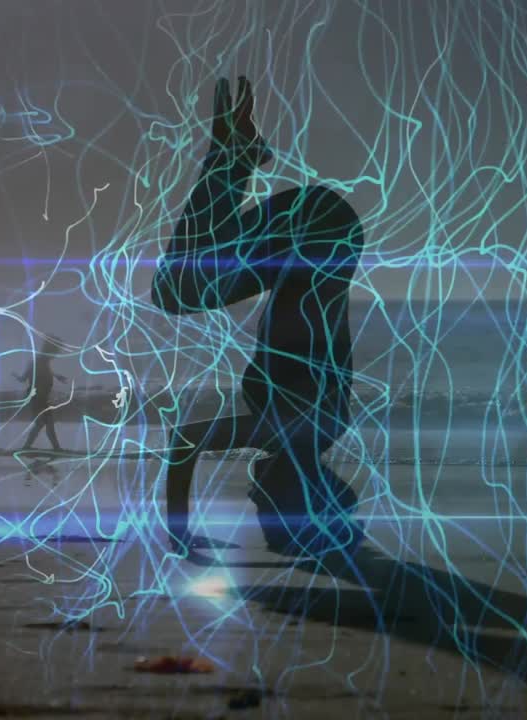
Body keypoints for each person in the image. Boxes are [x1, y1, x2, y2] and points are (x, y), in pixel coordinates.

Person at [151, 76, 365, 557]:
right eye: (264, 504)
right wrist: (178, 532)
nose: (250, 494)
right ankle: (234, 154)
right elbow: (185, 441)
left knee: (182, 284)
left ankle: (236, 155)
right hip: (317, 231)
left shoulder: (320, 430)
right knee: (174, 289)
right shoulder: (294, 431)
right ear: (293, 494)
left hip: (319, 239)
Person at [14, 336, 69, 451]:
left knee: (41, 424)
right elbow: (25, 378)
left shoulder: (44, 362)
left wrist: (57, 376)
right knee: (48, 423)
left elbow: (45, 372)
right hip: (37, 397)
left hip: (41, 397)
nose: (56, 355)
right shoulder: (38, 362)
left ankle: (27, 447)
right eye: (55, 352)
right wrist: (17, 376)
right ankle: (56, 448)